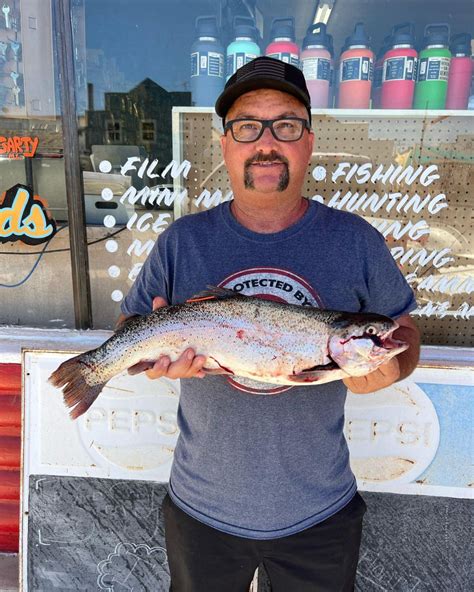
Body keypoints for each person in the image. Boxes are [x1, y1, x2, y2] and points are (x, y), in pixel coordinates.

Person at [118, 56, 420, 592]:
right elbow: (134, 326)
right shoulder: (181, 241)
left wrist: (389, 370)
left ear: (307, 140)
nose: (266, 141)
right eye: (247, 127)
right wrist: (156, 359)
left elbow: (403, 333)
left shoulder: (356, 240)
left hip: (320, 511)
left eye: (285, 125)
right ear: (225, 143)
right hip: (200, 510)